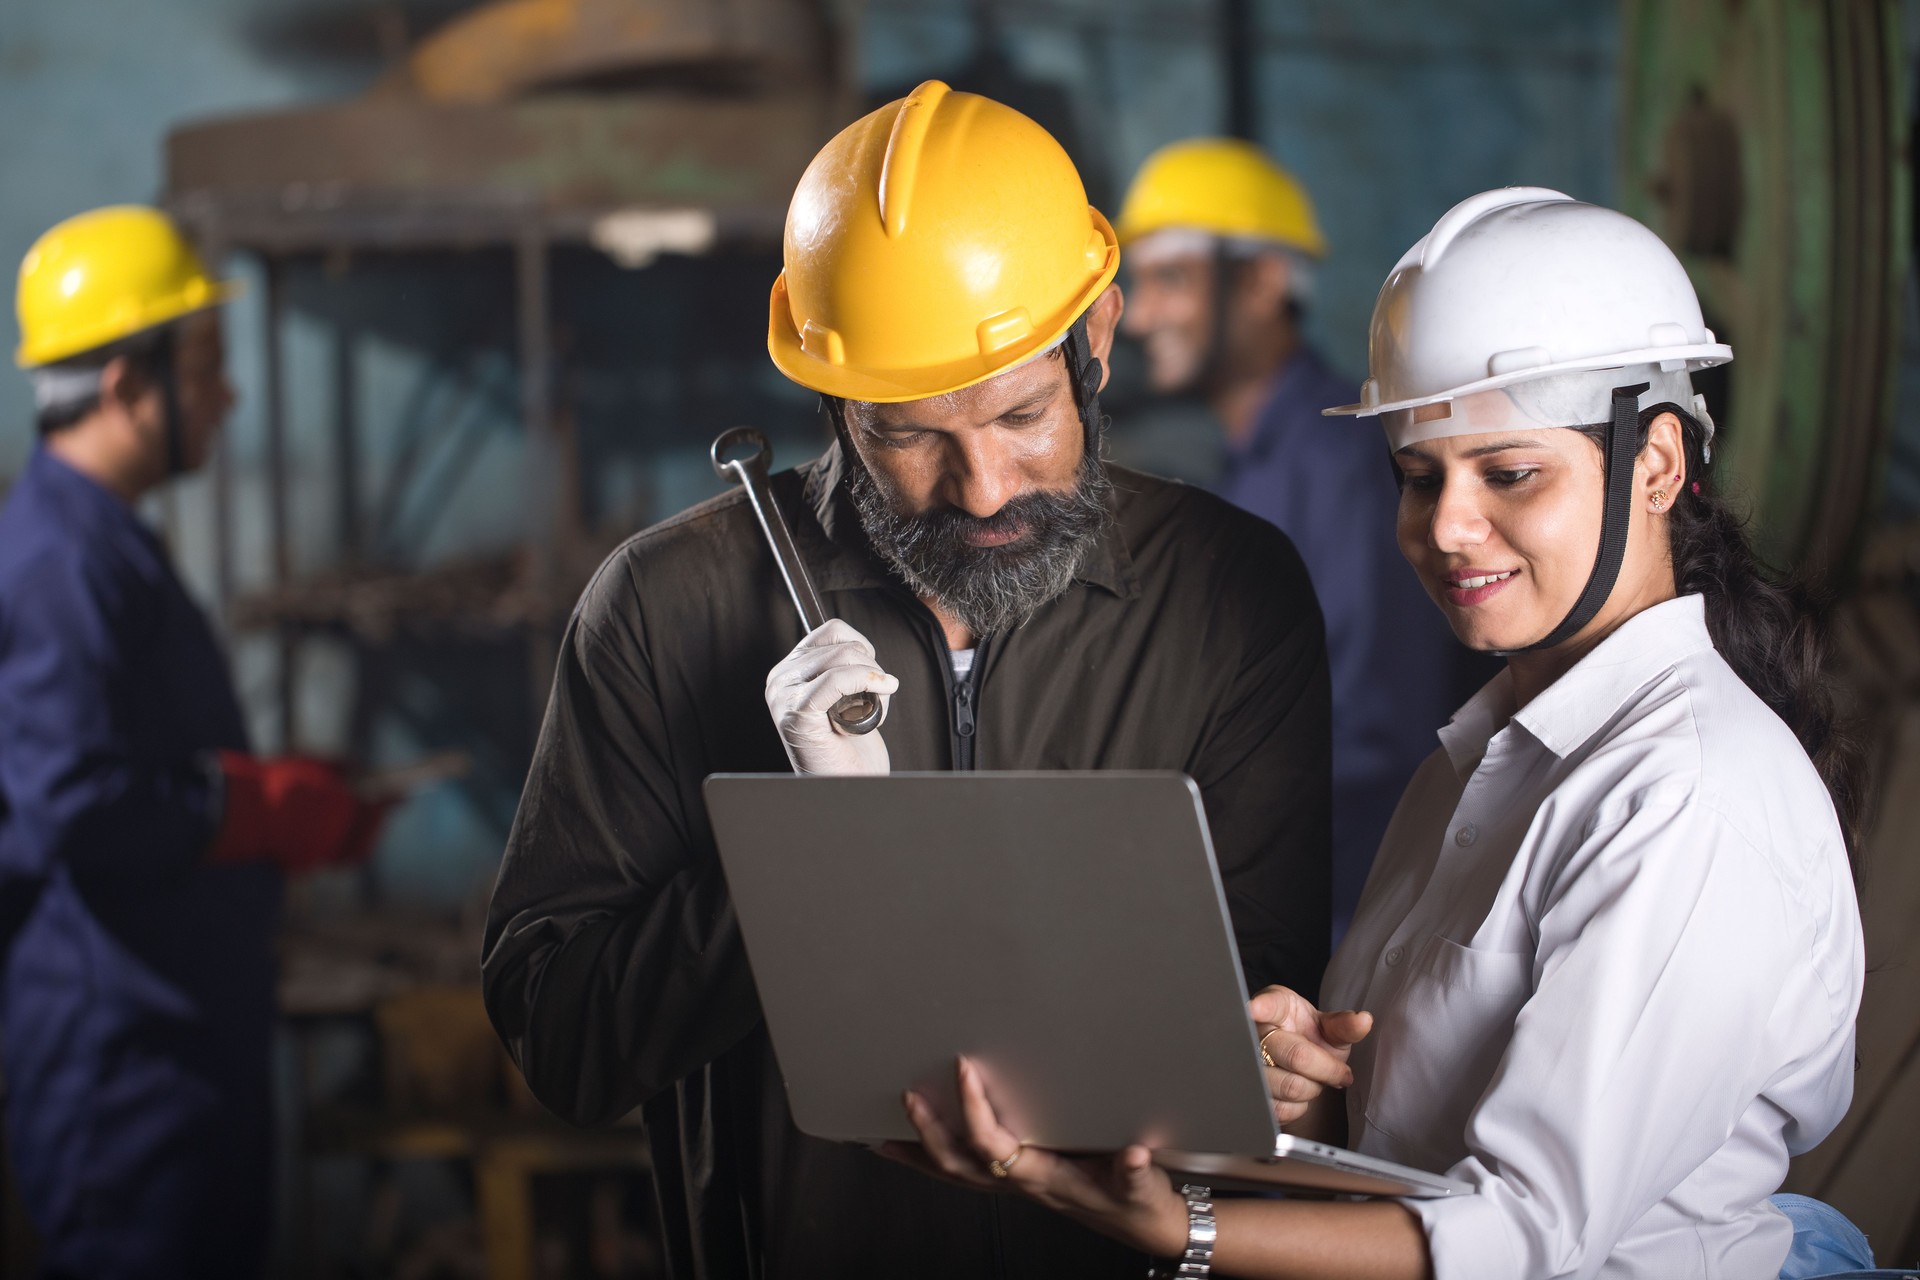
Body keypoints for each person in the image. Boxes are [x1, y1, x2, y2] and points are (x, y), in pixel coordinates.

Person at [892, 188, 1871, 1280]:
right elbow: (1439, 1138)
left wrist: (1170, 1225)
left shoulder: (1691, 795)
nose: (1447, 526)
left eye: (1510, 473)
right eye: (1418, 476)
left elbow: (1526, 1231)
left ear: (1656, 464)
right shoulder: (1481, 763)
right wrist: (1330, 1089)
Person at [481, 81, 1332, 1279]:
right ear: (831, 396)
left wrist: (1281, 1061)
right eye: (910, 433)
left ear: (1095, 342)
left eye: (1022, 414)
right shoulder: (667, 609)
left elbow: (1260, 1024)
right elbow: (563, 1042)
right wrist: (799, 852)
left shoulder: (1230, 597)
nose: (983, 486)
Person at [0, 206, 389, 1278]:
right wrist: (253, 807)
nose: (229, 395)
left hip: (175, 1042)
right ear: (129, 384)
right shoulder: (60, 563)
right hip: (121, 1065)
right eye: (208, 365)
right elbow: (71, 802)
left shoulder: (100, 545)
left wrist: (270, 802)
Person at [1115, 139, 1487, 935]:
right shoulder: (1253, 468)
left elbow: (1383, 726)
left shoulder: (1343, 464)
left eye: (1168, 280)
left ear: (1263, 282)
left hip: (1345, 917)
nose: (1139, 316)